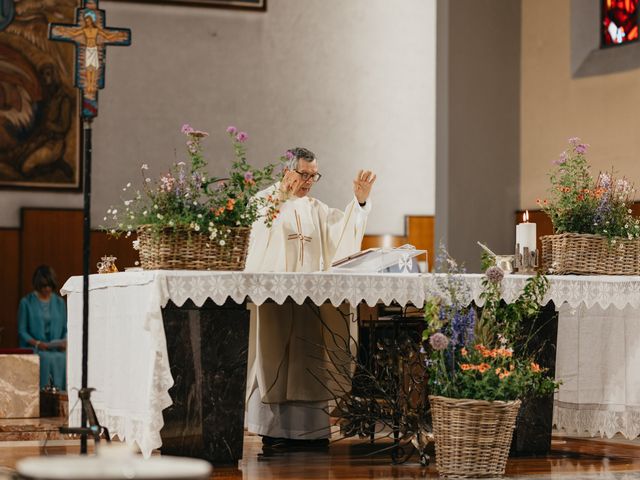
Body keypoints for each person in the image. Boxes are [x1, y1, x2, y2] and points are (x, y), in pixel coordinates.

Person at [244, 147, 376, 449]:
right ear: (287, 172)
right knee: (276, 355)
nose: (309, 182)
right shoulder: (264, 203)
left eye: (313, 176)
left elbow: (342, 235)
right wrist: (280, 197)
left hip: (311, 302)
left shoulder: (316, 209)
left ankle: (312, 432)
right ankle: (273, 430)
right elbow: (256, 240)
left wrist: (360, 201)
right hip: (276, 300)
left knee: (310, 358)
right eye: (304, 174)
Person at [17, 265, 68, 391]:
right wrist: (38, 343)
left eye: (49, 285)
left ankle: (59, 396)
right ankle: (41, 397)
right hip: (35, 348)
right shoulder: (26, 302)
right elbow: (22, 331)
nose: (47, 289)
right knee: (44, 358)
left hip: (56, 350)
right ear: (37, 285)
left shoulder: (59, 302)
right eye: (44, 286)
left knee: (62, 357)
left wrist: (65, 341)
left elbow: (66, 327)